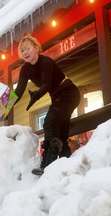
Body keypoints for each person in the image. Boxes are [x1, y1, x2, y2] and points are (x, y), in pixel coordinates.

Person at [13, 35, 80, 175]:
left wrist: (37, 95)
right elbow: (18, 91)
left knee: (49, 122)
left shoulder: (46, 62)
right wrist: (6, 107)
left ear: (36, 48)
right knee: (60, 132)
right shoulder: (25, 69)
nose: (25, 52)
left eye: (28, 48)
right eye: (22, 50)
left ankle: (48, 162)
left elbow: (46, 83)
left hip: (69, 93)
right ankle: (65, 163)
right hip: (57, 97)